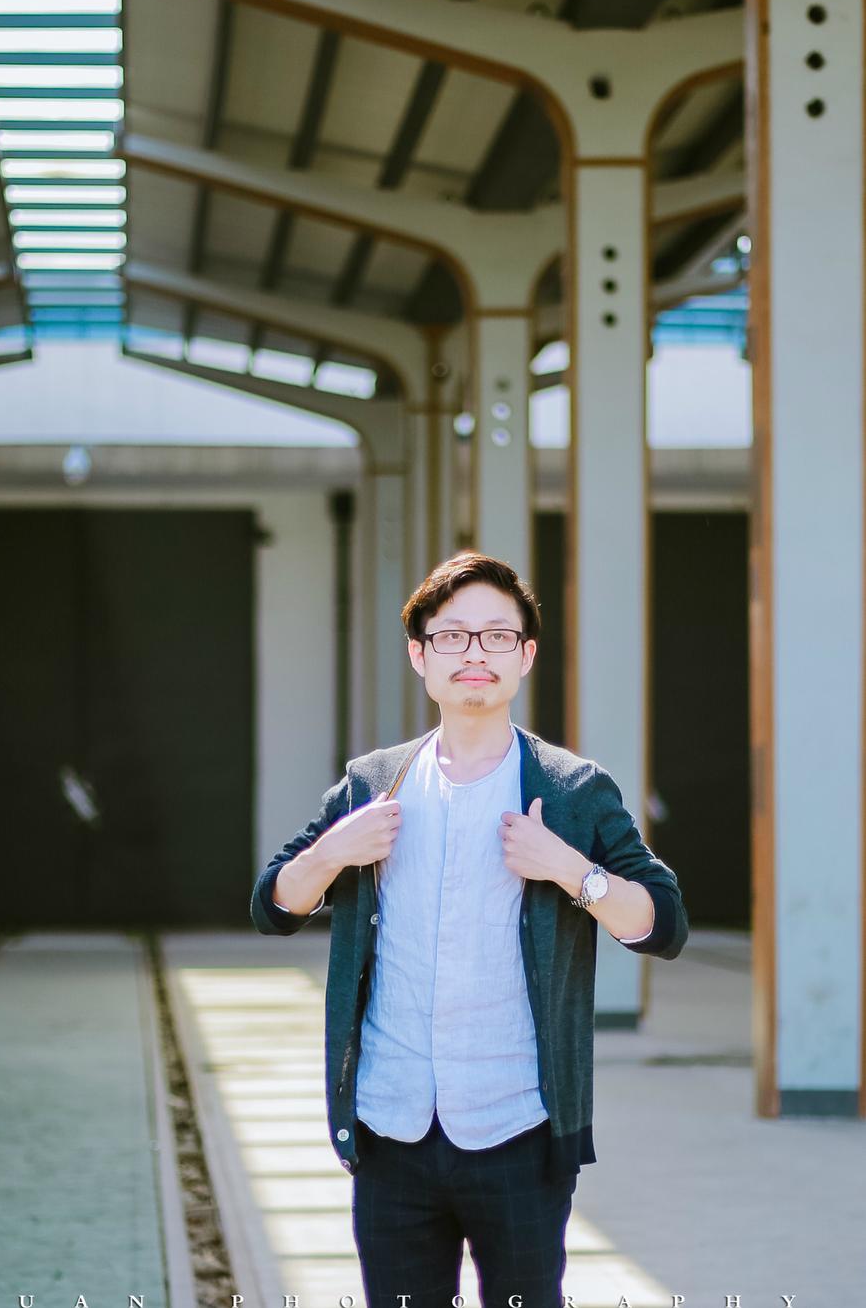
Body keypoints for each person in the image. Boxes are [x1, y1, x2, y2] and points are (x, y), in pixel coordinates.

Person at [250, 549, 688, 1308]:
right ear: (420, 655)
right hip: (390, 1131)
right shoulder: (372, 782)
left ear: (526, 655)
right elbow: (274, 905)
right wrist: (333, 852)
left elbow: (662, 925)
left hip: (519, 1129)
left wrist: (569, 869)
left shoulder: (571, 789)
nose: (474, 653)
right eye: (452, 636)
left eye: (496, 635)